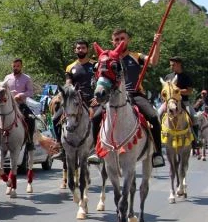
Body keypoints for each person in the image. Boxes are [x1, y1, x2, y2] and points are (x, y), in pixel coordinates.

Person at [105, 28, 165, 168]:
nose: (120, 41)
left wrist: (157, 44)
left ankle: (157, 153)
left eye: (122, 38)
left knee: (153, 117)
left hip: (135, 95)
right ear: (112, 42)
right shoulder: (108, 58)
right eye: (117, 39)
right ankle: (96, 151)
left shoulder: (136, 56)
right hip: (113, 97)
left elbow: (153, 61)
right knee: (95, 117)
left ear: (128, 40)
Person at [55, 40, 96, 161]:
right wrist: (63, 93)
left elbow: (100, 81)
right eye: (78, 48)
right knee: (55, 118)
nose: (81, 50)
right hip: (74, 100)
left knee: (99, 118)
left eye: (83, 48)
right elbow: (68, 84)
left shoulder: (94, 64)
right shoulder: (70, 67)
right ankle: (61, 147)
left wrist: (98, 98)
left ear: (87, 50)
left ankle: (98, 147)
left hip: (91, 99)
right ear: (75, 50)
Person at [2, 58, 37, 152]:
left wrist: (21, 95)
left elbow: (30, 92)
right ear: (11, 66)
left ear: (21, 66)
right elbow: (3, 90)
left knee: (31, 118)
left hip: (20, 105)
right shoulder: (7, 78)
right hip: (8, 105)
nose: (15, 68)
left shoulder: (27, 78)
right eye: (14, 66)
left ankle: (30, 142)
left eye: (18, 66)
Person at [162, 56, 198, 147]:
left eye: (173, 65)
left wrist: (177, 91)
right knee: (157, 114)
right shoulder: (168, 77)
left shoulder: (186, 77)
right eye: (170, 65)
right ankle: (158, 138)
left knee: (195, 117)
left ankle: (195, 140)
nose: (171, 67)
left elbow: (189, 91)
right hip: (169, 102)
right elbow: (164, 90)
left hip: (183, 102)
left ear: (179, 64)